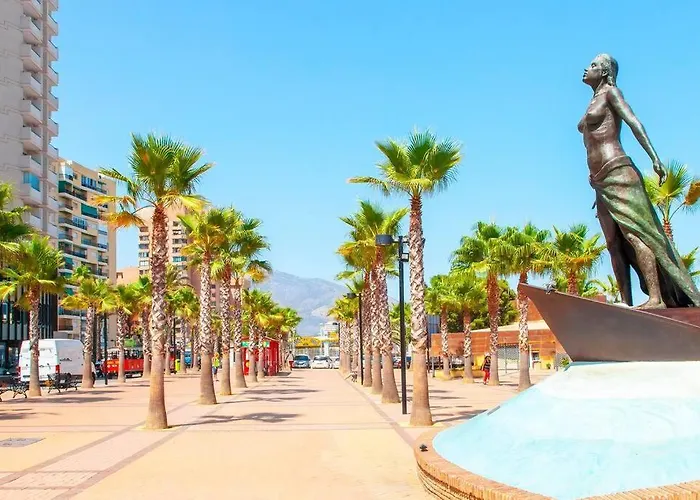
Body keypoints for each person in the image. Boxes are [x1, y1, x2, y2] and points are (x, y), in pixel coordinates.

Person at [579, 54, 700, 309]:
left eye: (593, 65)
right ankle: (626, 303)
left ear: (604, 72)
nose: (586, 68)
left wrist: (654, 157)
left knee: (635, 234)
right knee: (613, 243)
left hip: (618, 171)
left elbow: (634, 122)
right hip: (599, 181)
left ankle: (656, 298)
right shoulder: (593, 100)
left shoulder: (611, 93)